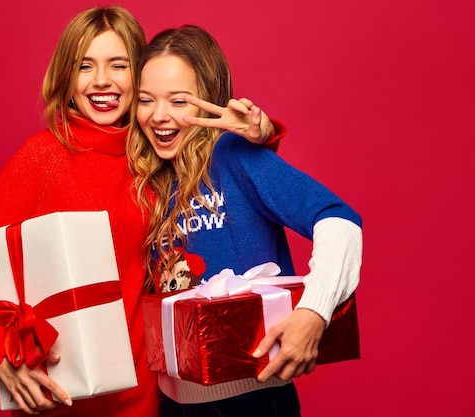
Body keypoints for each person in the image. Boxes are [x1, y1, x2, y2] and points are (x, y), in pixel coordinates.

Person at [0, 6, 285, 417]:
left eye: (118, 65)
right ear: (67, 77)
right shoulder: (43, 157)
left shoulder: (157, 156)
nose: (102, 80)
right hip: (64, 399)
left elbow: (224, 168)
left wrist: (263, 134)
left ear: (140, 75)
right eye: (85, 65)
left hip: (150, 401)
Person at [126, 25, 363, 417]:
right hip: (172, 403)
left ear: (210, 102)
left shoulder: (234, 155)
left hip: (251, 401)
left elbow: (340, 220)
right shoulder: (150, 179)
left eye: (179, 100)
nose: (159, 115)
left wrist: (314, 310)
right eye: (146, 100)